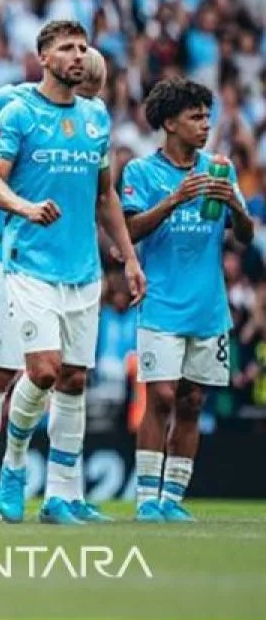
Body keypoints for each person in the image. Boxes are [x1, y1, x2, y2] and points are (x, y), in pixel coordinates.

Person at [0, 20, 145, 524]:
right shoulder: (18, 111)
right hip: (28, 263)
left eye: (82, 48)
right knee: (44, 371)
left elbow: (105, 196)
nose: (78, 55)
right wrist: (26, 208)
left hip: (83, 268)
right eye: (67, 49)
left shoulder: (96, 116)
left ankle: (61, 496)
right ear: (44, 58)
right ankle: (12, 465)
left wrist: (128, 256)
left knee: (74, 380)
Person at [121, 77, 253, 522]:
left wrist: (235, 205)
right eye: (195, 117)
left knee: (192, 401)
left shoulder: (220, 169)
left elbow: (245, 238)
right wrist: (175, 200)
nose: (204, 124)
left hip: (208, 308)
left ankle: (171, 501)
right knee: (159, 396)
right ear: (170, 123)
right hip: (160, 303)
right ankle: (144, 500)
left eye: (206, 116)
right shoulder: (141, 172)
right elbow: (130, 231)